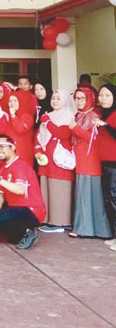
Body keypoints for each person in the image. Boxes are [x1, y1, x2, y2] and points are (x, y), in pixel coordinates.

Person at [0, 134, 45, 249]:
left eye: (2, 146)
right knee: (3, 230)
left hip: (30, 211)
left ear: (13, 147)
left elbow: (20, 190)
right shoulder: (2, 169)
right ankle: (23, 232)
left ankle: (28, 230)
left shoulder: (20, 166)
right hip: (15, 210)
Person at [69, 88, 111, 239]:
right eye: (77, 98)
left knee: (88, 193)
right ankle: (91, 229)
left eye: (82, 98)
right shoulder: (79, 115)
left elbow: (94, 139)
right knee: (85, 192)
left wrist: (75, 129)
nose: (79, 101)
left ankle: (85, 229)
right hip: (82, 158)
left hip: (90, 159)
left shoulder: (93, 115)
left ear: (89, 99)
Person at [35, 90, 75, 232]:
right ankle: (47, 219)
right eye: (53, 98)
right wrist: (37, 150)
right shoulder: (49, 115)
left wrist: (47, 122)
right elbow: (38, 136)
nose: (55, 101)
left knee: (59, 190)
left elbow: (62, 134)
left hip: (59, 161)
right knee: (46, 190)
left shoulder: (68, 116)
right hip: (45, 160)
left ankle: (60, 222)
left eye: (58, 99)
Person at [94, 84, 116, 250]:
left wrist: (106, 126)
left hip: (114, 164)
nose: (103, 99)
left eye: (107, 96)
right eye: (101, 95)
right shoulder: (101, 113)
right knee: (109, 200)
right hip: (104, 162)